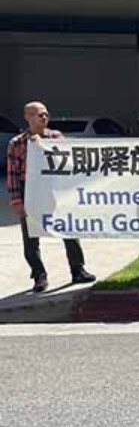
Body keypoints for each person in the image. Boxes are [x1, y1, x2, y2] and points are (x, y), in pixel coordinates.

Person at [6, 101, 96, 292]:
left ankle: (78, 270)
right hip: (29, 190)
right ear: (28, 117)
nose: (44, 117)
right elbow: (12, 173)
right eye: (39, 115)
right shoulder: (16, 143)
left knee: (68, 231)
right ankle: (39, 276)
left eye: (46, 114)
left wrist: (44, 147)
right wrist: (16, 200)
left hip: (53, 190)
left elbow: (66, 163)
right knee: (31, 239)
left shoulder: (55, 137)